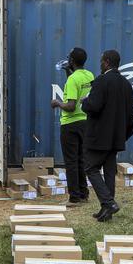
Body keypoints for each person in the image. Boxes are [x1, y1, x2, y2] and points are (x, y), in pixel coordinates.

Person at [81, 49, 133, 222]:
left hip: (98, 138)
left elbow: (94, 106)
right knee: (109, 172)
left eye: (101, 61)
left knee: (90, 168)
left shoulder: (101, 81)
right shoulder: (126, 84)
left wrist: (85, 102)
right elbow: (131, 117)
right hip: (116, 139)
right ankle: (107, 210)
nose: (100, 64)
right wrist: (122, 136)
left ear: (105, 62)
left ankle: (108, 202)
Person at [52, 47, 94, 205]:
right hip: (85, 122)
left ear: (71, 61)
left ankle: (74, 197)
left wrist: (57, 103)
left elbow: (70, 105)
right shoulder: (89, 75)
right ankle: (84, 193)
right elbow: (77, 86)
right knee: (81, 160)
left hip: (70, 124)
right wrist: (68, 72)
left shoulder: (72, 80)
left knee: (71, 161)